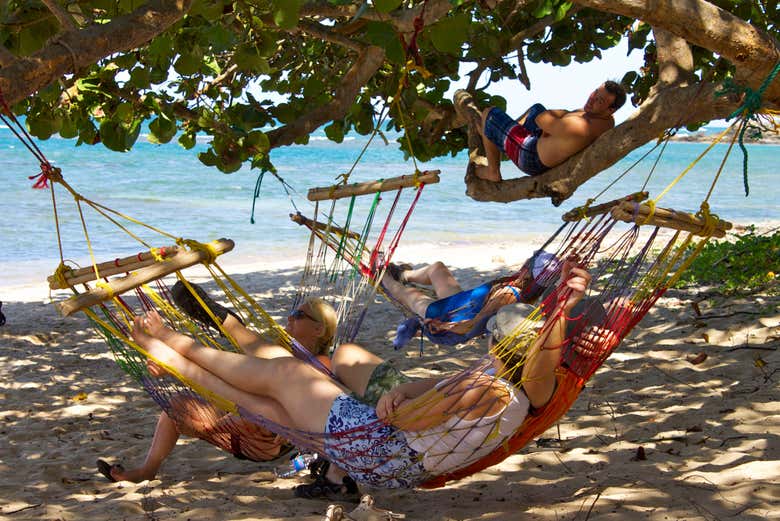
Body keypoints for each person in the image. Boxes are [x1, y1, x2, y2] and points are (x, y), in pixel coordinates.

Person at [125, 261, 594, 491]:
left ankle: (169, 339)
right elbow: (425, 393)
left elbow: (412, 418)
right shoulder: (496, 378)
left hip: (378, 448)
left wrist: (397, 408)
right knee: (266, 405)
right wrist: (402, 393)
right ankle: (169, 352)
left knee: (287, 373)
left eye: (496, 337)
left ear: (508, 348)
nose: (490, 342)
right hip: (382, 454)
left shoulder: (503, 388)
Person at [96, 282, 340, 485]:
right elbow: (232, 381)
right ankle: (147, 470)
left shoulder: (321, 364)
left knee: (267, 378)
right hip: (244, 415)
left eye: (298, 316)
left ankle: (224, 327)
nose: (289, 317)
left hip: (268, 438)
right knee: (178, 403)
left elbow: (299, 410)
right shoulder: (274, 350)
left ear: (318, 329)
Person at [383, 251, 559, 347]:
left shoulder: (508, 295)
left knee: (405, 293)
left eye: (529, 261)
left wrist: (443, 325)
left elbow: (475, 323)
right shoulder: (522, 293)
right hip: (460, 302)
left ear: (527, 271)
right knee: (437, 268)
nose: (526, 261)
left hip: (448, 314)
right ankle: (403, 274)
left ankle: (382, 275)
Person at [462, 81, 626, 182]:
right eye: (595, 92)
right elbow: (546, 118)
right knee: (536, 108)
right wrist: (557, 121)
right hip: (542, 144)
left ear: (610, 110)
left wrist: (560, 116)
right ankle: (496, 138)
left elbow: (541, 119)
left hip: (530, 155)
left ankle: (492, 171)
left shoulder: (581, 126)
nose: (592, 99)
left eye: (599, 100)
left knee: (489, 113)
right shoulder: (606, 120)